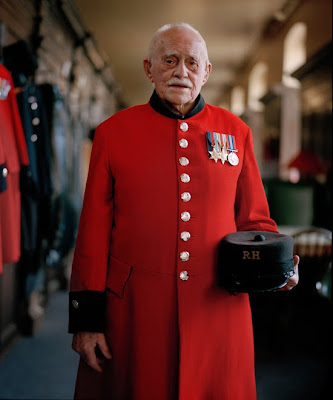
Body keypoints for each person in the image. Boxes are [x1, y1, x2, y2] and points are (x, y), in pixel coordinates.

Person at [69, 22, 299, 400]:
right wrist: (87, 319)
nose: (181, 72)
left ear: (206, 72)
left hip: (216, 305)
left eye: (192, 63)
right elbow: (93, 229)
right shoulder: (113, 133)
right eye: (170, 60)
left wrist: (281, 262)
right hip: (136, 311)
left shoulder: (236, 131)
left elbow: (255, 219)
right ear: (149, 68)